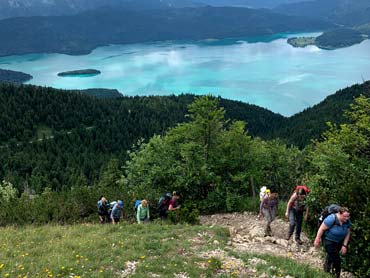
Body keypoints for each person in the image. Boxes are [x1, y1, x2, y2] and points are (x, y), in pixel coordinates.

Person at [314, 207, 351, 278]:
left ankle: (326, 271)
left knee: (332, 256)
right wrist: (317, 239)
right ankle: (336, 275)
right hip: (328, 240)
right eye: (345, 216)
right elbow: (321, 229)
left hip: (338, 241)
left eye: (348, 216)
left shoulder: (347, 221)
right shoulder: (331, 219)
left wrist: (344, 245)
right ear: (339, 214)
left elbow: (348, 232)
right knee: (337, 259)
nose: (346, 218)